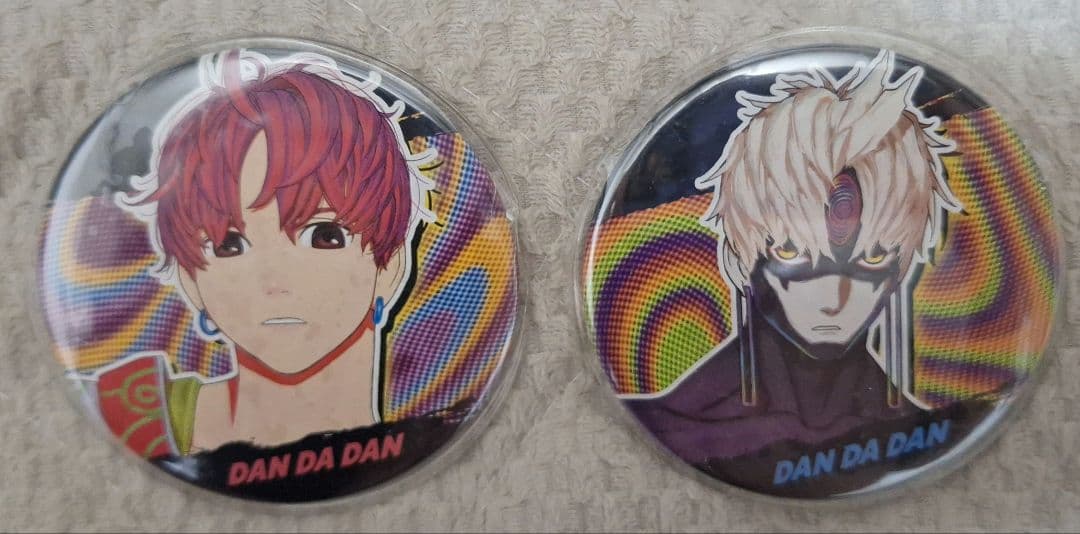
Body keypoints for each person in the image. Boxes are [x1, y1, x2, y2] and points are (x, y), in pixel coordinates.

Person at [622, 50, 977, 493]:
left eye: (872, 260)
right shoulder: (673, 421)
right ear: (740, 251)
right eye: (791, 253)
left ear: (901, 267)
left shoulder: (926, 428)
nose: (834, 299)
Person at [110, 48, 435, 453]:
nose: (275, 281)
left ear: (390, 267)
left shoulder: (441, 420)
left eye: (324, 236)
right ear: (191, 281)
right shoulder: (129, 415)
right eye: (229, 244)